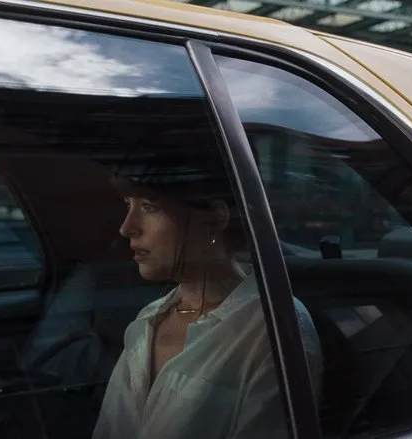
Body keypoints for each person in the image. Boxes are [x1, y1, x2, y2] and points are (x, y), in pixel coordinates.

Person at [93, 164, 323, 439]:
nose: (126, 228)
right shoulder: (147, 320)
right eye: (128, 205)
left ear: (214, 218)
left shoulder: (274, 326)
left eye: (149, 207)